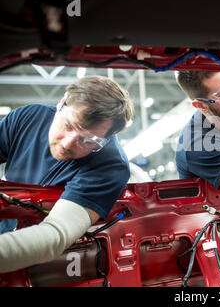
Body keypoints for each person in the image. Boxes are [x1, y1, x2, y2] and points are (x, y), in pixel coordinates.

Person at [0, 75, 134, 273]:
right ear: (62, 103)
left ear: (106, 139)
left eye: (89, 140)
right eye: (69, 125)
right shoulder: (27, 118)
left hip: (42, 267)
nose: (68, 143)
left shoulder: (111, 167)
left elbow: (54, 236)